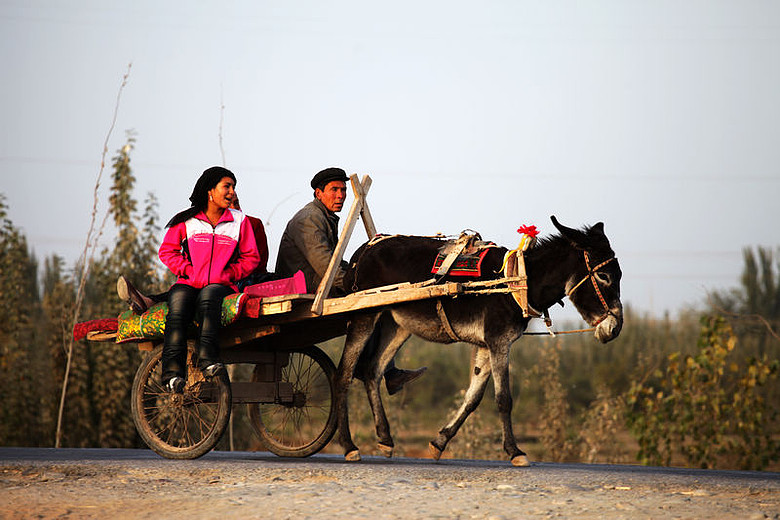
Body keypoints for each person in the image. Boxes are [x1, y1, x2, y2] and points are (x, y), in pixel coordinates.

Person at [275, 167, 426, 395]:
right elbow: (327, 267)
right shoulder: (309, 219)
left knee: (375, 296)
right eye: (334, 190)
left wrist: (361, 277)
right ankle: (376, 369)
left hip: (318, 282)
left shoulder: (324, 217)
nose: (341, 195)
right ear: (318, 193)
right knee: (368, 302)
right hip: (306, 286)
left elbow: (336, 262)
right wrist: (355, 285)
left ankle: (382, 369)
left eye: (343, 190)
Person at [157, 166, 260, 393]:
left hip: (220, 285)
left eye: (233, 187)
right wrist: (187, 270)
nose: (232, 192)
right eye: (227, 186)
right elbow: (166, 251)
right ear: (210, 191)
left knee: (208, 300)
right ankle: (172, 375)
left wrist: (229, 274)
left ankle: (208, 361)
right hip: (187, 282)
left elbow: (252, 257)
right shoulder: (187, 220)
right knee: (178, 310)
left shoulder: (239, 221)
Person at [117, 192, 269, 313]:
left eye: (234, 203)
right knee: (191, 287)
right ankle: (148, 301)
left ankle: (150, 301)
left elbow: (258, 261)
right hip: (202, 280)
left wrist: (228, 274)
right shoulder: (198, 226)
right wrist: (191, 271)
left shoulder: (250, 223)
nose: (229, 208)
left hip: (239, 279)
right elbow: (168, 252)